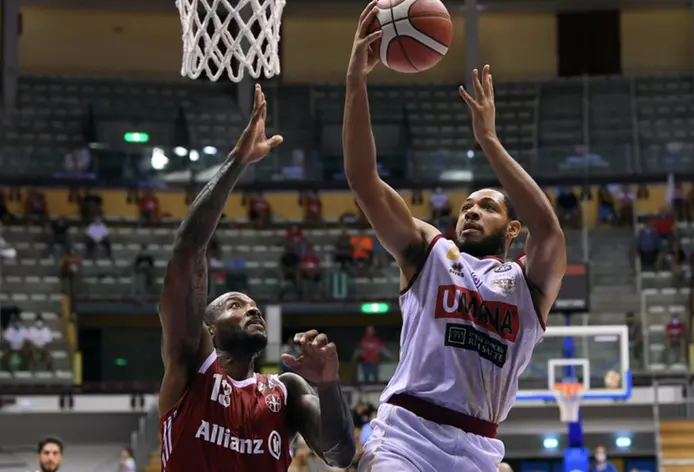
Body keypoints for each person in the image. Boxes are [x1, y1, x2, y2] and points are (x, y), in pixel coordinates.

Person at [344, 6, 566, 470]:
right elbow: (365, 182)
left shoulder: (529, 284)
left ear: (511, 229)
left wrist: (489, 140)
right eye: (466, 206)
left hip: (479, 446)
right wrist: (356, 84)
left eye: (487, 206)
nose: (470, 211)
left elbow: (548, 228)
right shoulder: (431, 253)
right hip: (406, 432)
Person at [157, 84, 355, 472]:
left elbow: (340, 455)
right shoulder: (191, 363)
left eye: (253, 306)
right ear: (209, 330)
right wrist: (237, 162)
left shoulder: (286, 390)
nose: (252, 310)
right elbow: (187, 251)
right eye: (235, 304)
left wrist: (329, 385)